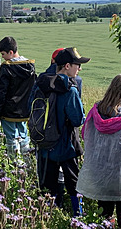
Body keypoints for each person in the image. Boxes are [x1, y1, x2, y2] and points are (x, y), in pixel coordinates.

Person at [76, 75, 121, 229]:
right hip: (120, 172)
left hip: (99, 170)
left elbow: (85, 134)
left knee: (104, 208)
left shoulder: (96, 111)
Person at [32, 47, 88, 216]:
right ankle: (78, 213)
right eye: (77, 65)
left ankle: (48, 213)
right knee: (73, 181)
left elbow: (31, 108)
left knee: (48, 183)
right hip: (66, 144)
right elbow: (77, 119)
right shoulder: (70, 90)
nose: (79, 69)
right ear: (67, 66)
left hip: (44, 142)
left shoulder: (40, 84)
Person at [0, 36, 36, 160]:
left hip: (9, 111)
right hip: (25, 111)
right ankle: (27, 164)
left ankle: (14, 164)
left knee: (11, 139)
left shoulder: (7, 67)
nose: (3, 57)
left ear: (11, 52)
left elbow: (0, 93)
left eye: (4, 54)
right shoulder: (30, 67)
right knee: (23, 136)